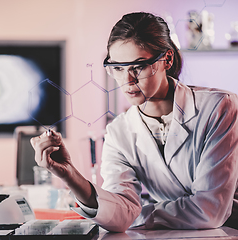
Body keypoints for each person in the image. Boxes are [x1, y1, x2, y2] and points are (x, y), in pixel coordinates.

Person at [30, 12, 238, 232]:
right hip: (175, 234)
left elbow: (209, 210)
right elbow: (119, 214)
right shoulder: (119, 132)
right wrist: (70, 174)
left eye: (138, 67)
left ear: (166, 59)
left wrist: (137, 215)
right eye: (118, 68)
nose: (127, 81)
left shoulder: (218, 108)